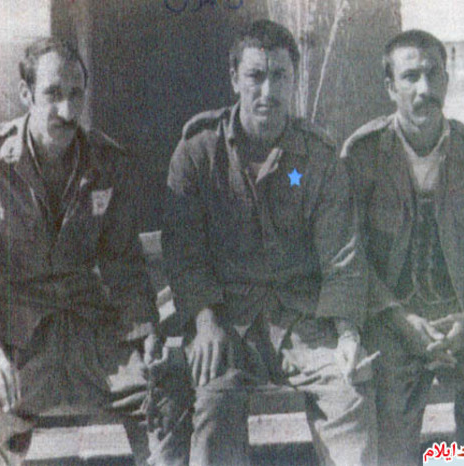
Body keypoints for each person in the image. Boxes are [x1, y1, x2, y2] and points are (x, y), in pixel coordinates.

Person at [146, 19, 377, 466]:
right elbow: (184, 251)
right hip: (226, 320)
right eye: (255, 76)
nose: (267, 92)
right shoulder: (199, 152)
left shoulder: (316, 158)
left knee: (348, 392)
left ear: (294, 81)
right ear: (234, 79)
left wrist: (348, 332)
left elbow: (342, 254)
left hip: (300, 320)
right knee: (213, 401)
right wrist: (205, 320)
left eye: (280, 77)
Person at [341, 29, 464, 466]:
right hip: (392, 319)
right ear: (390, 87)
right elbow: (351, 254)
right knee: (388, 416)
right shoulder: (362, 155)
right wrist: (399, 318)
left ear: (446, 79)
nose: (425, 88)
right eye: (410, 77)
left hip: (463, 317)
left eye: (434, 74)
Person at [0, 38, 159, 465]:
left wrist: (146, 331)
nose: (67, 110)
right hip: (20, 337)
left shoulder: (106, 161)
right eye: (52, 94)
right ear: (26, 94)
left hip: (90, 333)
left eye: (76, 93)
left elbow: (123, 261)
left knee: (164, 399)